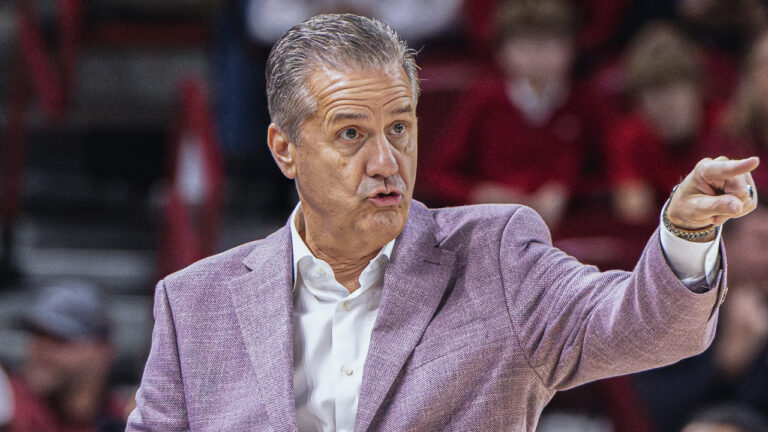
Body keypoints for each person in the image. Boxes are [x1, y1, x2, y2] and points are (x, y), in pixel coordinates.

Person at [126, 14, 759, 431]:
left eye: (399, 128)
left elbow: (642, 328)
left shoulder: (497, 257)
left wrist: (686, 235)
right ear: (284, 149)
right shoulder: (192, 305)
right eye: (351, 134)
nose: (385, 161)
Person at [421, 0, 610, 227]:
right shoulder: (484, 100)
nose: (537, 56)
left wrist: (569, 192)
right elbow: (439, 174)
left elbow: (614, 174)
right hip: (494, 225)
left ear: (572, 48)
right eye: (525, 44)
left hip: (568, 227)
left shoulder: (588, 102)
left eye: (550, 44)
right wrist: (478, 194)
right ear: (501, 50)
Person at [606, 23, 724, 226]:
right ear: (638, 101)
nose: (667, 104)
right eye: (653, 93)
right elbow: (634, 212)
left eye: (675, 89)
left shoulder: (724, 125)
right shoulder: (629, 136)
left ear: (697, 88)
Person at [9, 281, 125, 432]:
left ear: (102, 351)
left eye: (58, 339)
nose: (40, 350)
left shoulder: (126, 419)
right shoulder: (11, 406)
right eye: (36, 336)